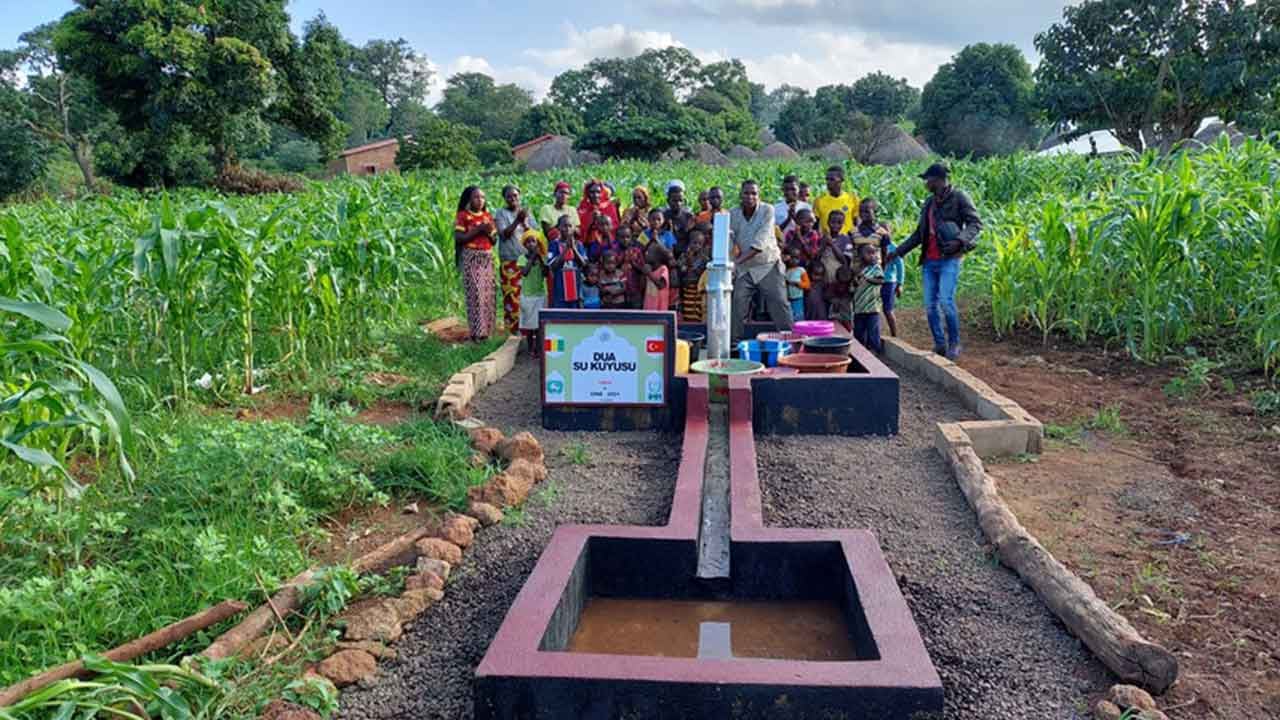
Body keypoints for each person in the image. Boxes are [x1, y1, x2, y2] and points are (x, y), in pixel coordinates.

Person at [888, 163, 982, 359]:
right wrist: (897, 252)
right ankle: (939, 344)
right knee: (930, 305)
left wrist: (959, 240)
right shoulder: (929, 203)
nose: (925, 183)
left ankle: (954, 343)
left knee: (946, 302)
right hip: (930, 260)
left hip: (949, 258)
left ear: (938, 179)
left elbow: (975, 223)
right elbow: (918, 234)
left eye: (927, 180)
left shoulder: (959, 197)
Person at [728, 179, 793, 341]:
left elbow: (760, 244)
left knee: (779, 303)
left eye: (754, 193)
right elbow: (729, 240)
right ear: (740, 195)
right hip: (746, 268)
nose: (750, 196)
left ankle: (791, 341)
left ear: (759, 196)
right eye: (746, 193)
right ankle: (734, 343)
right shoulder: (733, 214)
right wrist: (730, 263)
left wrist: (736, 262)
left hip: (768, 265)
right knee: (737, 304)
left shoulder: (767, 210)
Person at [453, 186, 498, 341]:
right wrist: (479, 229)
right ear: (469, 200)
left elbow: (493, 240)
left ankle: (487, 331)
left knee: (488, 294)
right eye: (476, 197)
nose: (480, 200)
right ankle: (477, 333)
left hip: (487, 257)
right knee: (476, 294)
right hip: (472, 257)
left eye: (483, 197)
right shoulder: (463, 216)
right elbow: (459, 238)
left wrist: (489, 231)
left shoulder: (487, 216)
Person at [495, 185, 538, 335]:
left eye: (515, 195)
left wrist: (525, 223)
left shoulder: (527, 213)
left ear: (519, 196)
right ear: (505, 198)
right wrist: (517, 221)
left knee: (527, 297)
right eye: (509, 196)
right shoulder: (501, 214)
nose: (513, 199)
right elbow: (503, 234)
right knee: (511, 297)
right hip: (510, 260)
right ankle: (512, 334)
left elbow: (535, 235)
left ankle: (528, 332)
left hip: (527, 260)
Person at [518, 230, 548, 357]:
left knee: (539, 326)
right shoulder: (521, 258)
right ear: (525, 245)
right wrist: (532, 258)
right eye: (528, 242)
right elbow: (524, 272)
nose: (531, 244)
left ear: (538, 243)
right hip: (528, 296)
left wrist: (540, 258)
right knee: (529, 326)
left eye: (533, 241)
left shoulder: (542, 258)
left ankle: (539, 349)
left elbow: (545, 273)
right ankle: (530, 348)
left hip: (540, 294)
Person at [548, 216, 587, 309]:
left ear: (574, 228)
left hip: (576, 289)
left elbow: (584, 265)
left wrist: (573, 248)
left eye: (570, 226)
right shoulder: (553, 244)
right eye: (564, 226)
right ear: (559, 228)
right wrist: (566, 250)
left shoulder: (579, 244)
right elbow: (552, 266)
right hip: (560, 289)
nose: (567, 229)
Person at [852, 243, 885, 353]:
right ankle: (860, 352)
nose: (872, 256)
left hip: (872, 306)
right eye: (868, 253)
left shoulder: (876, 268)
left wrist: (868, 279)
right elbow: (853, 284)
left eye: (873, 253)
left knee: (873, 331)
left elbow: (881, 280)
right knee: (859, 331)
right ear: (861, 255)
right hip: (859, 306)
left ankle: (876, 350)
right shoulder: (857, 269)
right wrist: (855, 282)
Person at [577, 180, 620, 261]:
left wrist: (603, 222)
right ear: (587, 194)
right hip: (589, 245)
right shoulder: (582, 208)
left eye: (598, 192)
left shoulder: (609, 206)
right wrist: (591, 220)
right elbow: (580, 232)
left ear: (602, 192)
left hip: (608, 243)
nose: (595, 195)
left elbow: (615, 225)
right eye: (592, 192)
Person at [814, 165, 858, 237]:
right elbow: (815, 224)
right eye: (827, 179)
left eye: (832, 179)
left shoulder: (852, 199)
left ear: (841, 180)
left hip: (847, 241)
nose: (828, 182)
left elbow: (857, 222)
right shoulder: (819, 200)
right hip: (826, 242)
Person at [678, 226, 709, 323]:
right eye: (694, 243)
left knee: (697, 311)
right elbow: (682, 270)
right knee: (688, 310)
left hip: (698, 288)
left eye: (700, 244)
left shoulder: (704, 259)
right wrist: (687, 261)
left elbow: (702, 273)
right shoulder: (683, 256)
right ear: (689, 243)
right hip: (687, 288)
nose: (697, 246)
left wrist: (690, 262)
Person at [774, 175, 812, 240]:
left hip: (802, 245)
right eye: (786, 189)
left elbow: (810, 230)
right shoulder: (775, 208)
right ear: (782, 190)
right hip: (782, 244)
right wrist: (788, 218)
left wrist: (795, 218)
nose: (789, 192)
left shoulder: (807, 207)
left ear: (799, 189)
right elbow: (774, 232)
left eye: (793, 189)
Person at [619, 224, 647, 309]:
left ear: (631, 237)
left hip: (635, 289)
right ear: (617, 238)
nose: (625, 239)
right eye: (622, 237)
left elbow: (643, 269)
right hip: (619, 291)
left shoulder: (636, 251)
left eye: (627, 237)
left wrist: (633, 263)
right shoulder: (615, 251)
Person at [662, 180, 695, 252]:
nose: (678, 203)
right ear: (668, 201)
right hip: (666, 252)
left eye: (680, 200)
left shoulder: (689, 217)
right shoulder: (663, 216)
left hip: (685, 253)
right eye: (674, 200)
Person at [881, 240, 905, 338]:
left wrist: (900, 284)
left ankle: (894, 335)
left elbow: (900, 266)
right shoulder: (875, 243)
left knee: (888, 310)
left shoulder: (893, 247)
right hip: (875, 281)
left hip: (889, 282)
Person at [643, 240, 674, 312]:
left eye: (649, 252)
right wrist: (644, 273)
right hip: (649, 305)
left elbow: (661, 285)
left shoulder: (663, 269)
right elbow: (643, 286)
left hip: (659, 307)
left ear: (658, 256)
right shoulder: (649, 268)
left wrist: (649, 274)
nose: (646, 253)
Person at [783, 251, 809, 321]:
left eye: (796, 258)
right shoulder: (786, 271)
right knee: (789, 317)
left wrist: (798, 283)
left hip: (798, 298)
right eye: (792, 258)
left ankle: (800, 331)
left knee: (798, 317)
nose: (794, 260)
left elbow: (807, 285)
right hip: (788, 299)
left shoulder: (801, 270)